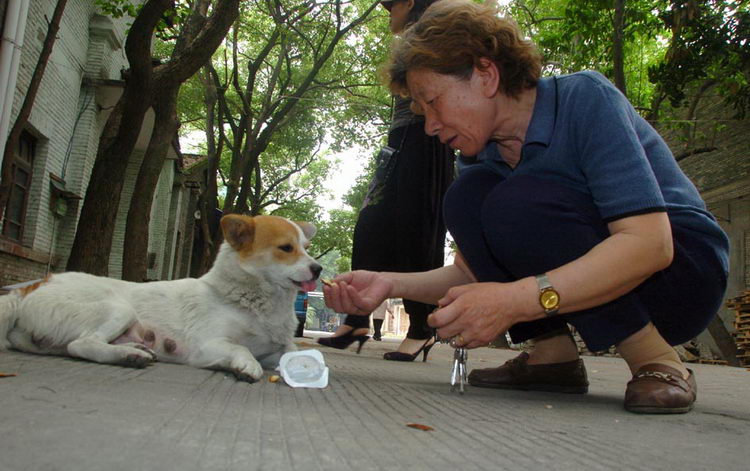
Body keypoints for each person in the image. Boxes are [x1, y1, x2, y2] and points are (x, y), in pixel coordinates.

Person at [323, 0, 729, 414]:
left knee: (516, 202)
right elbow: (473, 271)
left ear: (486, 74)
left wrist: (514, 301)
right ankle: (553, 357)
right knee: (467, 197)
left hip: (680, 273)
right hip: (601, 280)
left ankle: (655, 360)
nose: (429, 125)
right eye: (421, 112)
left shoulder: (585, 99)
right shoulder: (480, 154)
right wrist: (388, 285)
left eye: (433, 102)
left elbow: (650, 245)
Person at [317, 0, 454, 362]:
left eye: (389, 5)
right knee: (370, 226)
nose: (386, 12)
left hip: (429, 141)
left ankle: (422, 327)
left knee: (416, 231)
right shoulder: (413, 34)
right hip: (398, 143)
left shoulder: (434, 21)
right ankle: (357, 319)